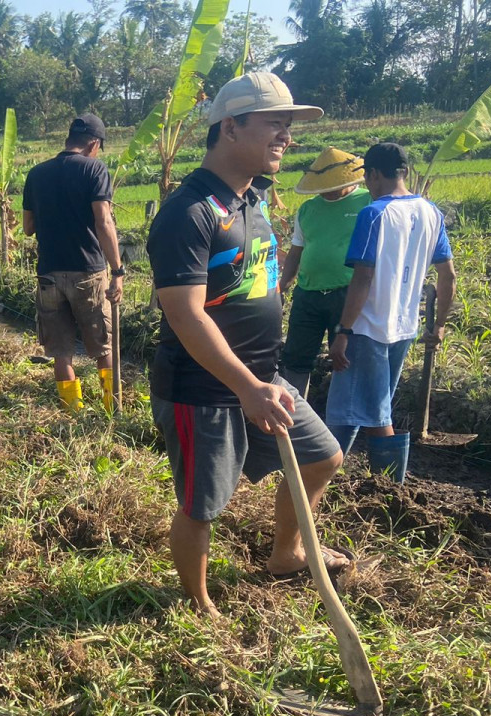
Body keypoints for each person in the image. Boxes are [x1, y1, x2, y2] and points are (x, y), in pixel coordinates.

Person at [146, 72, 346, 618]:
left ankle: (287, 553)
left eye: (288, 126)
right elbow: (185, 315)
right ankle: (198, 603)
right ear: (230, 128)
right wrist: (247, 388)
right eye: (274, 123)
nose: (287, 136)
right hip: (202, 388)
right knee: (202, 505)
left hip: (262, 376)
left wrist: (260, 383)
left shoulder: (250, 200)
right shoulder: (189, 212)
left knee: (323, 456)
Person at [324, 142, 456, 483]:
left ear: (373, 174)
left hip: (368, 327)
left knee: (371, 411)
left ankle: (390, 488)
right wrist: (438, 325)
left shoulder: (375, 214)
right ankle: (327, 477)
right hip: (404, 327)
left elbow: (363, 278)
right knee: (353, 408)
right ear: (405, 172)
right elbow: (448, 275)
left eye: (367, 178)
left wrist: (343, 331)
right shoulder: (431, 212)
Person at [21, 113, 125, 413]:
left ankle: (72, 413)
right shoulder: (94, 169)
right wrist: (117, 270)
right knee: (103, 347)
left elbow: (27, 227)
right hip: (88, 273)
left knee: (61, 353)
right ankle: (112, 410)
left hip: (49, 275)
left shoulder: (37, 174)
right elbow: (103, 221)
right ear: (94, 144)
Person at [277, 147, 371, 398]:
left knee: (344, 357)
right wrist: (282, 286)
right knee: (296, 357)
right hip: (308, 293)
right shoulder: (307, 210)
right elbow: (296, 252)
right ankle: (295, 411)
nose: (326, 191)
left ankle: (342, 414)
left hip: (348, 293)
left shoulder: (368, 202)